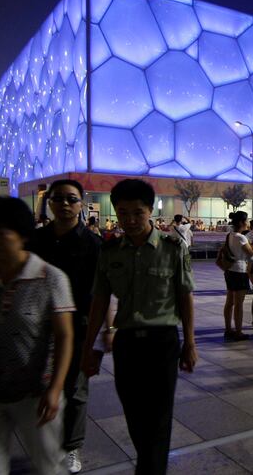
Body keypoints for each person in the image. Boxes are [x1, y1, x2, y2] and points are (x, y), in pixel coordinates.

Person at [81, 179, 196, 475]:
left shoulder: (172, 248)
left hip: (162, 343)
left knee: (159, 417)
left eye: (137, 212)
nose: (130, 220)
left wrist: (190, 344)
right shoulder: (110, 252)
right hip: (127, 344)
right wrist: (89, 347)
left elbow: (185, 296)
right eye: (122, 213)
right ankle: (150, 463)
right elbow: (99, 301)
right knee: (134, 415)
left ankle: (149, 470)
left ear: (150, 211)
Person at [0, 196, 75, 475]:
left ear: (22, 235)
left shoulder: (50, 278)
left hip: (36, 394)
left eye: (1, 233)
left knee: (49, 465)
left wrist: (55, 389)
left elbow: (64, 337)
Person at [27, 179, 102, 474]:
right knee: (38, 386)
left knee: (76, 389)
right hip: (39, 327)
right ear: (50, 203)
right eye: (58, 199)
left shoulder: (93, 243)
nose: (65, 205)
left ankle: (72, 447)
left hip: (79, 327)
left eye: (72, 199)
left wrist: (103, 332)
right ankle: (45, 442)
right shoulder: (36, 241)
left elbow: (100, 292)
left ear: (81, 204)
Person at [223, 211, 253, 341]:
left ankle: (228, 329)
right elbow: (250, 252)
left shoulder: (230, 235)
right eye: (246, 221)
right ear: (241, 222)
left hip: (230, 270)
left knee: (230, 302)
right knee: (239, 304)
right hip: (240, 271)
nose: (247, 223)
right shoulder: (241, 238)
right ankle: (239, 332)